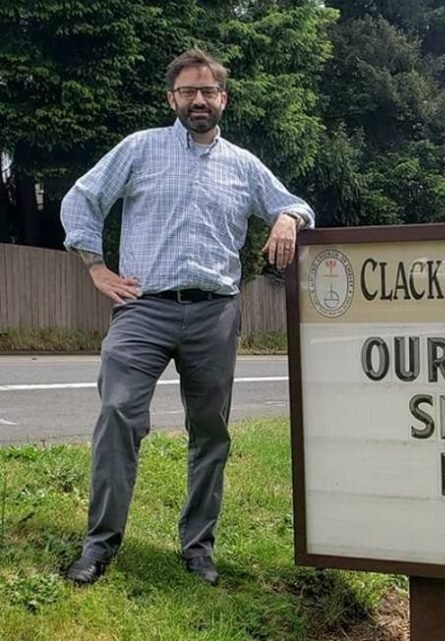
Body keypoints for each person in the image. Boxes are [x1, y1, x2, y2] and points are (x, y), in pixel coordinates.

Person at [60, 48, 314, 586]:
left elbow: (293, 202)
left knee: (210, 432)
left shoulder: (243, 165)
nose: (199, 100)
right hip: (142, 309)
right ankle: (99, 545)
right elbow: (82, 199)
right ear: (171, 97)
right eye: (188, 91)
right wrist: (96, 267)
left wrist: (288, 218)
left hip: (214, 315)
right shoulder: (140, 149)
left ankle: (198, 548)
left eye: (208, 91)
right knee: (118, 416)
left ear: (223, 98)